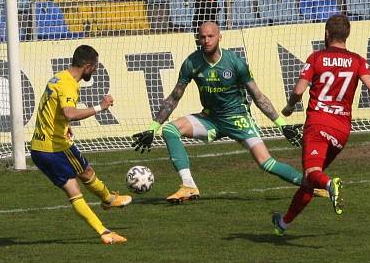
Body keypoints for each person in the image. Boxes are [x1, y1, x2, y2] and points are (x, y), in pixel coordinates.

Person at [132, 20, 330, 204]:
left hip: (238, 119)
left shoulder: (235, 62)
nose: (206, 40)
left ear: (220, 37)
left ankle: (311, 185)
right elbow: (174, 97)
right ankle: (189, 186)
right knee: (170, 130)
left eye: (210, 36)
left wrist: (282, 125)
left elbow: (258, 96)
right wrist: (152, 128)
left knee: (266, 162)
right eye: (202, 37)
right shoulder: (191, 63)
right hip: (211, 119)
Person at [271, 14, 370, 235]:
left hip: (318, 125)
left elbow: (298, 90)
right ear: (347, 35)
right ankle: (284, 223)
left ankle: (331, 185)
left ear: (327, 34)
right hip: (341, 131)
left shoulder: (316, 58)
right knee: (310, 179)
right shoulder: (357, 60)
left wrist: (290, 107)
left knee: (313, 173)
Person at [30, 44, 131, 245]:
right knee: (81, 180)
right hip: (56, 147)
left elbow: (49, 109)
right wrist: (100, 107)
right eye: (94, 66)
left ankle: (106, 213)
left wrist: (64, 125)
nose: (94, 70)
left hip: (38, 148)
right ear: (86, 66)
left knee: (81, 178)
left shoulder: (58, 78)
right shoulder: (69, 85)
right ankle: (108, 204)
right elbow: (69, 112)